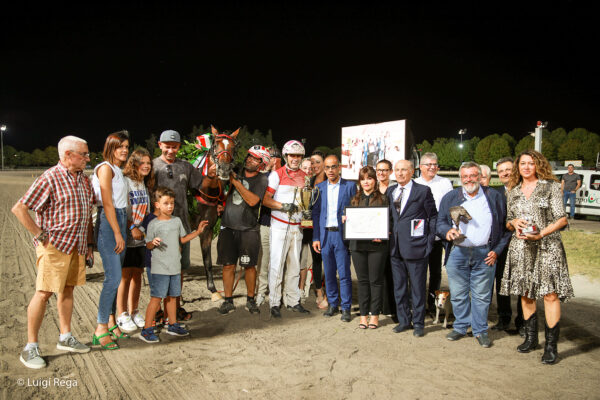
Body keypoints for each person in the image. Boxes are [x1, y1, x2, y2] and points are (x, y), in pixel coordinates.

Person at [12, 136, 94, 369]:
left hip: (76, 246)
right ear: (68, 155)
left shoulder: (83, 180)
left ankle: (65, 336)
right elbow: (19, 208)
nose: (88, 158)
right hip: (55, 247)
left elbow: (87, 214)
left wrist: (88, 245)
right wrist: (40, 235)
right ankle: (30, 347)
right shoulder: (50, 177)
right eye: (84, 154)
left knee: (68, 290)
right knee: (44, 292)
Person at [501, 150, 573, 364]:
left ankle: (551, 346)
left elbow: (562, 219)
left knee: (550, 295)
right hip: (521, 247)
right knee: (525, 292)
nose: (526, 167)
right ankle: (531, 338)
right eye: (522, 163)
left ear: (538, 165)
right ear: (518, 167)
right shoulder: (513, 191)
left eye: (531, 163)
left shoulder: (550, 187)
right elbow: (507, 221)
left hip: (547, 247)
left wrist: (541, 233)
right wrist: (513, 223)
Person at [437, 162, 510, 348]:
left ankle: (480, 330)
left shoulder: (494, 197)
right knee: (459, 294)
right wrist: (447, 232)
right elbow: (439, 223)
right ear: (460, 178)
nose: (469, 179)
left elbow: (505, 228)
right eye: (465, 176)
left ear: (480, 176)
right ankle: (461, 326)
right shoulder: (451, 197)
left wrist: (497, 250)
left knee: (481, 296)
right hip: (457, 252)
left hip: (485, 253)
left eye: (473, 175)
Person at [153, 129, 213, 321]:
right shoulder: (152, 166)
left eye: (175, 147)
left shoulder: (186, 166)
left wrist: (213, 175)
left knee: (178, 271)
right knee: (161, 272)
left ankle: (176, 307)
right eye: (167, 146)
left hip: (181, 226)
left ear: (179, 147)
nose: (171, 150)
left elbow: (202, 185)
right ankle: (158, 310)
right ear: (160, 145)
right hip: (160, 228)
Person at [139, 187, 209, 342]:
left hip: (174, 267)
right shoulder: (153, 224)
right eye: (166, 203)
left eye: (171, 203)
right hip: (160, 268)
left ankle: (172, 324)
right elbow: (148, 244)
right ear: (157, 205)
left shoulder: (177, 221)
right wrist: (153, 242)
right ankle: (146, 329)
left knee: (173, 297)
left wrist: (197, 232)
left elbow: (182, 240)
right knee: (156, 298)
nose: (170, 206)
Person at [216, 146, 270, 315]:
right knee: (228, 265)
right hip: (228, 226)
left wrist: (236, 182)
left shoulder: (261, 180)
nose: (249, 160)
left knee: (249, 266)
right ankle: (228, 301)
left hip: (248, 228)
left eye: (255, 158)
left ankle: (250, 300)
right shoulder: (236, 169)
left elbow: (253, 201)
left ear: (262, 164)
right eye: (249, 156)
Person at [388, 160, 437, 337]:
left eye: (404, 170)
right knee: (399, 287)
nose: (400, 173)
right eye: (397, 170)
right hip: (395, 248)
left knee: (417, 288)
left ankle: (418, 323)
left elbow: (433, 217)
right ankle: (403, 321)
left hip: (417, 247)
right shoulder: (390, 191)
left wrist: (429, 241)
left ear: (411, 172)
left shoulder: (422, 191)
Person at [263, 140, 311, 317]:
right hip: (280, 226)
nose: (295, 159)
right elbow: (266, 199)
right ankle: (274, 302)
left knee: (295, 265)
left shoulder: (304, 177)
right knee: (277, 264)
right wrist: (282, 206)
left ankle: (293, 300)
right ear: (286, 156)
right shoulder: (276, 174)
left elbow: (306, 201)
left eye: (298, 156)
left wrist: (307, 213)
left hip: (297, 227)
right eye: (292, 155)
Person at [92, 130, 130, 350]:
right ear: (110, 148)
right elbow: (107, 203)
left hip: (120, 219)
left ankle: (112, 323)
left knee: (117, 276)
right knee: (113, 278)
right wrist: (117, 232)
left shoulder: (118, 169)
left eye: (126, 146)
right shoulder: (105, 168)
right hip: (109, 223)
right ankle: (100, 328)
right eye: (119, 147)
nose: (124, 150)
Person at [312, 155, 357, 322]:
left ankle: (346, 307)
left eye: (333, 167)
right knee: (329, 273)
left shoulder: (350, 186)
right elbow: (315, 214)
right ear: (324, 169)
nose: (330, 170)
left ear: (339, 168)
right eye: (327, 167)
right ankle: (332, 304)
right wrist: (316, 237)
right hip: (324, 235)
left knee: (344, 273)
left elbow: (355, 209)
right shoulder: (319, 187)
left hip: (341, 235)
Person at [115, 148, 154, 332]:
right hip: (127, 235)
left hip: (141, 236)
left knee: (138, 275)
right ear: (134, 163)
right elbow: (121, 210)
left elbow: (145, 211)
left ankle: (134, 311)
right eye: (143, 163)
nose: (146, 166)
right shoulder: (126, 181)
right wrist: (132, 227)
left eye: (148, 163)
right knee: (125, 276)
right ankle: (121, 314)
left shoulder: (143, 183)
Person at [348, 166, 389, 329]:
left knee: (376, 281)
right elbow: (350, 221)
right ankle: (363, 316)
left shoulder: (383, 199)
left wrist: (384, 231)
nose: (366, 181)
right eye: (363, 178)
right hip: (357, 245)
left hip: (377, 246)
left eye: (370, 178)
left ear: (375, 180)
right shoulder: (354, 199)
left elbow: (389, 221)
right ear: (360, 181)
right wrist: (346, 220)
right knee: (363, 281)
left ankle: (375, 315)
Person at [414, 152, 453, 314]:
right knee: (419, 272)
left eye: (434, 164)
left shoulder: (445, 183)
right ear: (420, 167)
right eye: (428, 165)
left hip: (438, 236)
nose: (432, 167)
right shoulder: (414, 183)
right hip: (419, 235)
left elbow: (451, 208)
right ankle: (419, 304)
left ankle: (432, 303)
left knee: (436, 272)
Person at [491, 157, 524, 333]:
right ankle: (503, 319)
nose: (505, 173)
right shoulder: (494, 193)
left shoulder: (526, 190)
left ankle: (522, 322)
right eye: (501, 171)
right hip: (501, 247)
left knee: (522, 285)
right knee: (502, 284)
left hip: (523, 245)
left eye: (508, 169)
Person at [255, 147, 281, 306]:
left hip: (283, 225)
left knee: (279, 262)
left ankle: (276, 294)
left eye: (270, 158)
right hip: (265, 223)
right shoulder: (262, 177)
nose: (272, 161)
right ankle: (260, 292)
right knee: (263, 261)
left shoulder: (285, 176)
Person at [375, 159, 397, 321]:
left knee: (391, 272)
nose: (381, 173)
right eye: (379, 170)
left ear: (390, 171)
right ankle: (376, 306)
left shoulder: (396, 189)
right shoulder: (370, 187)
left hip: (391, 236)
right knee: (376, 273)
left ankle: (390, 306)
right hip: (374, 237)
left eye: (385, 170)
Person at [310, 150, 327, 308]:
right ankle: (319, 291)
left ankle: (329, 292)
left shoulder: (330, 181)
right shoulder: (309, 182)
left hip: (327, 226)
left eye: (318, 162)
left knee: (328, 260)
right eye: (312, 162)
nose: (315, 165)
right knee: (316, 260)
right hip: (311, 226)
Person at [298, 157, 313, 299]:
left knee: (303, 260)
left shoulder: (316, 186)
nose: (308, 171)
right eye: (305, 168)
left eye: (310, 168)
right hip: (296, 228)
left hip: (310, 229)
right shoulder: (295, 184)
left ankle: (301, 288)